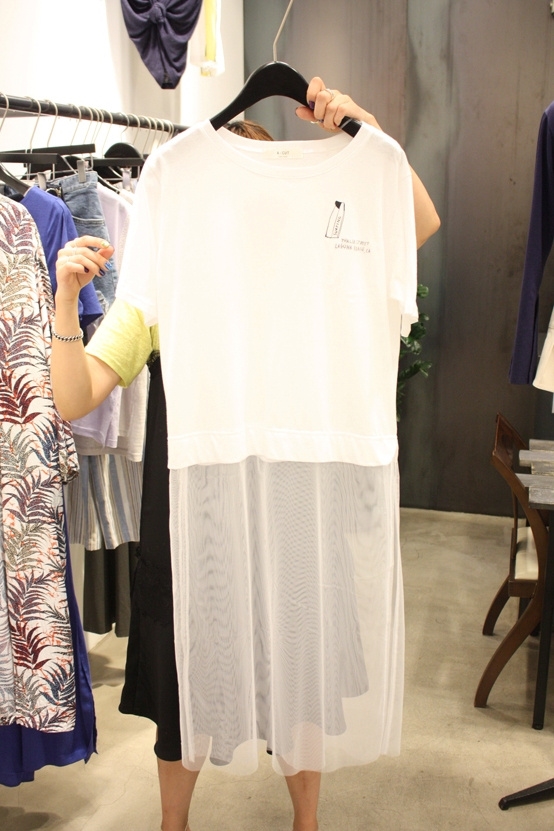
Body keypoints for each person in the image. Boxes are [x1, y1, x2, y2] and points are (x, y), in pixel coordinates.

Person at [51, 78, 440, 831]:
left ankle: (306, 822)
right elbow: (73, 397)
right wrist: (67, 298)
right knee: (185, 673)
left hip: (298, 507)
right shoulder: (175, 274)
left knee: (300, 672)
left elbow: (414, 217)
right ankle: (173, 823)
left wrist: (366, 130)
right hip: (197, 519)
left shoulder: (317, 270)